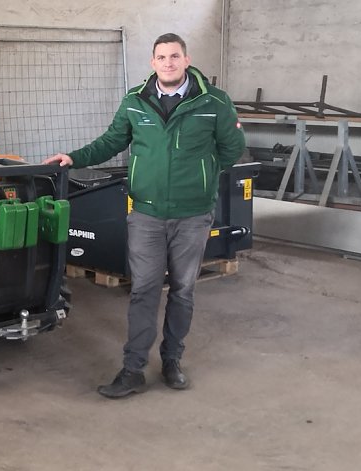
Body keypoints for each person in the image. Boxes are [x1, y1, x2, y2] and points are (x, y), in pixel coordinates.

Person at [45, 33, 245, 398]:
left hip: (193, 216)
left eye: (174, 56)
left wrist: (200, 176)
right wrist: (74, 157)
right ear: (152, 63)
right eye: (161, 57)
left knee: (183, 291)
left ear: (186, 60)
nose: (168, 62)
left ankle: (172, 361)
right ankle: (133, 369)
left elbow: (232, 148)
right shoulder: (135, 102)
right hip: (147, 216)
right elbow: (110, 141)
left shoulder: (214, 102)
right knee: (144, 291)